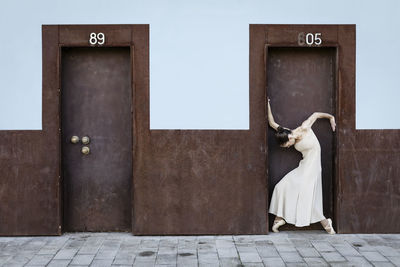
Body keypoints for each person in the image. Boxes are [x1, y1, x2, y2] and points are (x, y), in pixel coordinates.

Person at [267, 98, 336, 234]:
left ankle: (326, 223)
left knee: (308, 195)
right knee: (281, 186)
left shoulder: (304, 127)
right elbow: (271, 122)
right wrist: (267, 103)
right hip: (304, 166)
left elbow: (316, 114)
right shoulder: (284, 131)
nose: (287, 147)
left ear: (290, 138)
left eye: (286, 145)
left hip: (313, 167)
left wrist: (331, 118)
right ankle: (279, 218)